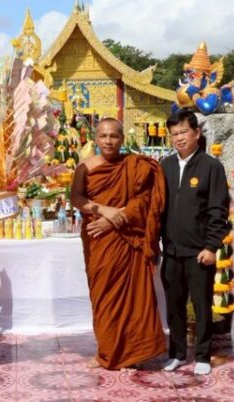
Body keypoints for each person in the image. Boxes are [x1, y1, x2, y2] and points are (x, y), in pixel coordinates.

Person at [71, 117, 166, 370]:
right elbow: (76, 198)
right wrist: (105, 211)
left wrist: (115, 220)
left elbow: (144, 201)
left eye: (114, 136)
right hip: (98, 239)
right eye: (103, 136)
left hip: (126, 237)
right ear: (96, 139)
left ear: (122, 139)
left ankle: (132, 353)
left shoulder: (135, 166)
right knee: (104, 296)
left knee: (132, 298)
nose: (108, 141)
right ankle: (107, 351)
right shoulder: (85, 167)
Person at [160, 109, 230, 375]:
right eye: (174, 134)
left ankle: (202, 356)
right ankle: (177, 354)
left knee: (201, 306)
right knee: (174, 306)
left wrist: (211, 247)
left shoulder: (211, 167)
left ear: (197, 133)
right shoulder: (165, 166)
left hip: (199, 252)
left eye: (184, 132)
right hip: (171, 250)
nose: (179, 138)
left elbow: (218, 211)